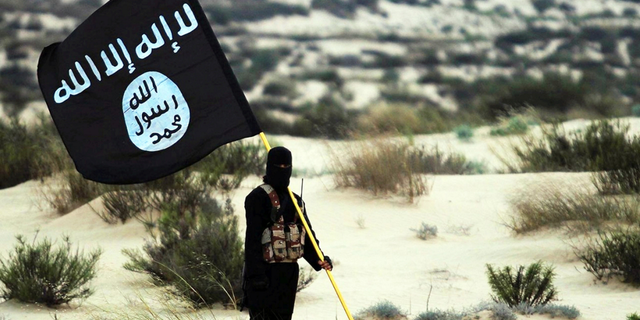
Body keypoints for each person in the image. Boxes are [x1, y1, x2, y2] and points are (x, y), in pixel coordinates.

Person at [243, 146, 332, 320]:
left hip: (288, 275)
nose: (282, 171)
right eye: (278, 166)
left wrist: (320, 259)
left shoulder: (296, 200)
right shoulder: (256, 198)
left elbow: (307, 236)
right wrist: (256, 276)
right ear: (269, 167)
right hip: (264, 274)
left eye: (286, 167)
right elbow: (252, 240)